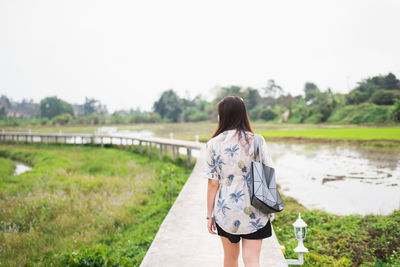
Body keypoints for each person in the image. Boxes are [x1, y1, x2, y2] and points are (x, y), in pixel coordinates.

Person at [203, 95, 274, 267]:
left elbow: (213, 183)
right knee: (252, 261)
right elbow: (269, 175)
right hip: (256, 208)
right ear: (243, 115)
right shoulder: (257, 140)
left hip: (227, 211)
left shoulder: (213, 144)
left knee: (230, 260)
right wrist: (270, 208)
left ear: (223, 116)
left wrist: (209, 216)